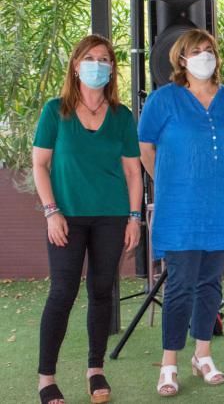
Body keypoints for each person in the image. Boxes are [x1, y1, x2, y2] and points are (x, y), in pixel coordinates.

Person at [32, 35, 142, 404]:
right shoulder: (54, 111)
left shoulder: (122, 116)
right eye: (90, 58)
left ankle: (95, 370)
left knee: (101, 291)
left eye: (105, 59)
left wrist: (133, 217)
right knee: (62, 293)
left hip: (111, 217)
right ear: (76, 65)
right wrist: (51, 211)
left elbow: (132, 173)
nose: (98, 64)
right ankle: (46, 378)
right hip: (66, 217)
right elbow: (40, 165)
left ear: (111, 68)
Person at [138, 29, 224, 396]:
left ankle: (203, 355)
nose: (205, 56)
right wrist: (169, 183)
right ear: (181, 60)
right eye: (196, 51)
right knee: (180, 286)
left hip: (221, 207)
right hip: (180, 209)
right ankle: (169, 363)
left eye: (209, 50)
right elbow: (145, 148)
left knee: (210, 284)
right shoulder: (163, 100)